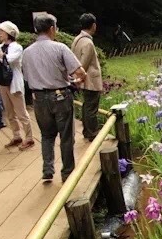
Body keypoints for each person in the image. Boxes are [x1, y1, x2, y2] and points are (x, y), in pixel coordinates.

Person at [22, 13, 87, 183]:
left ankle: (47, 170)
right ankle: (67, 173)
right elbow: (80, 73)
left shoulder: (27, 52)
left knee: (46, 135)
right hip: (60, 96)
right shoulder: (60, 48)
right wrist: (76, 81)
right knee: (66, 136)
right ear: (52, 29)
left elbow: (27, 78)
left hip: (38, 98)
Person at [0, 21, 33, 149]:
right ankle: (16, 136)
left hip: (14, 83)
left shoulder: (17, 47)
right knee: (9, 113)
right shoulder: (0, 46)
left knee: (21, 113)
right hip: (2, 83)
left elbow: (8, 59)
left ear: (9, 33)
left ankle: (29, 138)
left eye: (2, 31)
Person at [72, 13, 103, 142]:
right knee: (91, 107)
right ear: (93, 25)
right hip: (90, 80)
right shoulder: (88, 42)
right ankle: (92, 133)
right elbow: (82, 64)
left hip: (84, 80)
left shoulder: (77, 39)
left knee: (87, 106)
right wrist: (80, 77)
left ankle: (87, 130)